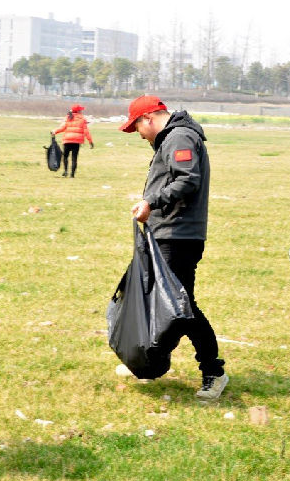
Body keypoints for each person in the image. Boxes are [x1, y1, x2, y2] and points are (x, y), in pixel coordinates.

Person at [120, 95, 227, 400]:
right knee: (173, 304)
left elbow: (187, 180)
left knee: (180, 307)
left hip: (179, 235)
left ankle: (213, 372)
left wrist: (151, 202)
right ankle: (151, 360)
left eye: (137, 127)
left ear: (149, 118)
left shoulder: (179, 137)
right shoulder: (172, 138)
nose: (139, 134)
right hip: (169, 232)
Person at [51, 104, 94, 178]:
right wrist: (90, 141)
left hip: (67, 140)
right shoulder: (82, 119)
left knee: (65, 157)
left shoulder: (68, 117)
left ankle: (65, 171)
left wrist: (54, 131)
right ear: (78, 111)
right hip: (76, 142)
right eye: (80, 110)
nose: (81, 111)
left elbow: (62, 128)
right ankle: (72, 175)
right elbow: (86, 131)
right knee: (74, 158)